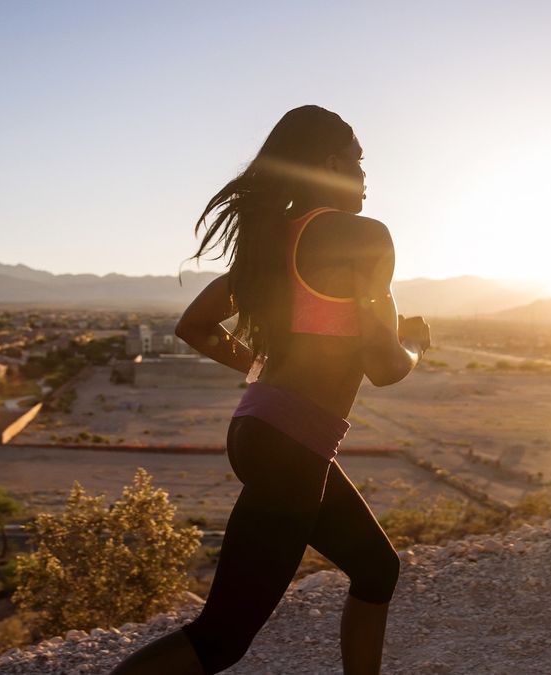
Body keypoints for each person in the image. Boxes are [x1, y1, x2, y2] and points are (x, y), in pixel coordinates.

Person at [111, 105, 431, 675]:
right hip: (292, 446)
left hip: (262, 429)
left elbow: (194, 325)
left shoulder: (269, 243)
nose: (365, 177)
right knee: (221, 639)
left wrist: (258, 367)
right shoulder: (363, 236)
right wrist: (414, 343)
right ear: (332, 164)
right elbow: (384, 366)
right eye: (358, 163)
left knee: (377, 569)